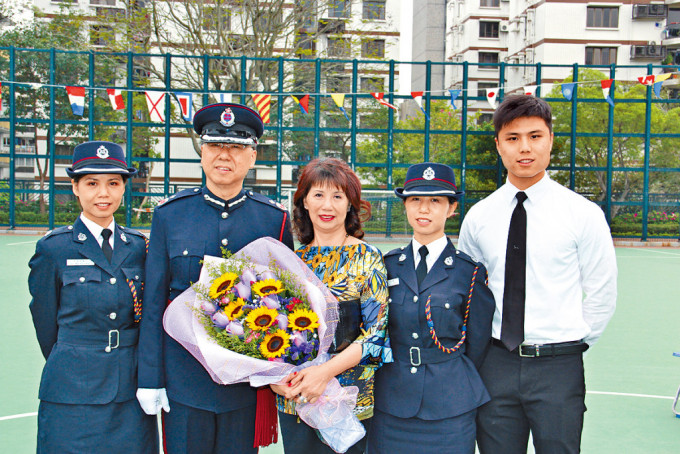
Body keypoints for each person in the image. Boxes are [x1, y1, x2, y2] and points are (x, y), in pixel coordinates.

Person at [457, 94, 618, 454]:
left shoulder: (583, 214)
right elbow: (469, 294)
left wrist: (570, 346)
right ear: (498, 144)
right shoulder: (479, 217)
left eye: (535, 136)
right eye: (513, 138)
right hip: (495, 362)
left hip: (558, 367)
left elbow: (602, 292)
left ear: (550, 140)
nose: (524, 148)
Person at [136, 103, 294, 454]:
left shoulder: (273, 220)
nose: (225, 155)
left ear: (252, 156)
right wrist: (150, 379)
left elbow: (286, 305)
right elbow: (153, 304)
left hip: (244, 385)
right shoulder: (169, 216)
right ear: (202, 153)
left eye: (237, 147)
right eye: (215, 146)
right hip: (183, 380)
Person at [28, 141, 158, 453]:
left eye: (113, 183)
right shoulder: (55, 249)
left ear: (124, 187)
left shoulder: (140, 247)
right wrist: (78, 355)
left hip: (129, 387)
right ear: (75, 187)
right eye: (91, 183)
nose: (103, 194)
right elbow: (45, 322)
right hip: (72, 389)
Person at [365, 162, 495, 454]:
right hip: (392, 402)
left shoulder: (469, 272)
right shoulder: (385, 266)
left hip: (449, 404)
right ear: (405, 207)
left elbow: (477, 342)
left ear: (452, 208)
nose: (424, 209)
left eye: (435, 201)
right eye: (415, 201)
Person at [270, 157, 391, 454]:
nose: (328, 205)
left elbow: (375, 336)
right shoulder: (290, 262)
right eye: (319, 195)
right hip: (296, 397)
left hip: (348, 399)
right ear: (305, 202)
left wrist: (323, 375)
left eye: (337, 196)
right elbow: (270, 335)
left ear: (350, 204)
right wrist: (277, 382)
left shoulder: (367, 257)